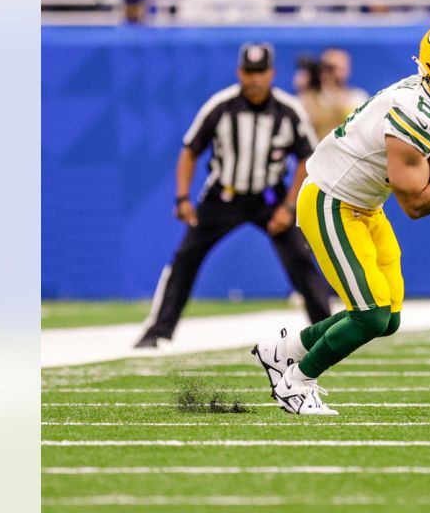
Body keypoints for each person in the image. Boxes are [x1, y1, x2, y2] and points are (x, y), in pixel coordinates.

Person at [251, 22, 430, 415]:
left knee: (389, 317)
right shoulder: (413, 110)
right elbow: (414, 204)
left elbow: (415, 171)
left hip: (366, 204)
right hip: (332, 200)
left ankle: (282, 351)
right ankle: (297, 383)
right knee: (370, 315)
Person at [136, 43, 332, 348]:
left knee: (300, 258)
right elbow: (190, 149)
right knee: (186, 257)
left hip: (270, 197)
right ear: (240, 72)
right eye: (249, 72)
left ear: (272, 73)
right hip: (223, 196)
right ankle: (157, 330)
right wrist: (182, 198)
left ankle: (325, 330)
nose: (255, 79)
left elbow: (308, 157)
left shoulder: (288, 109)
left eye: (261, 72)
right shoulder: (221, 105)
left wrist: (289, 205)